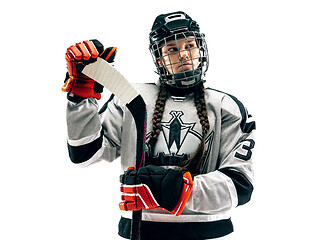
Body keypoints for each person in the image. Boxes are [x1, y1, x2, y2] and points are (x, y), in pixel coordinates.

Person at [62, 11, 256, 240]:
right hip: (141, 229)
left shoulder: (226, 107)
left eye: (189, 46)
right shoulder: (131, 98)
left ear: (201, 50)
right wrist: (81, 99)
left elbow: (240, 186)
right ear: (159, 58)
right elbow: (85, 154)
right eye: (172, 49)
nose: (183, 55)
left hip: (207, 233)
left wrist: (177, 190)